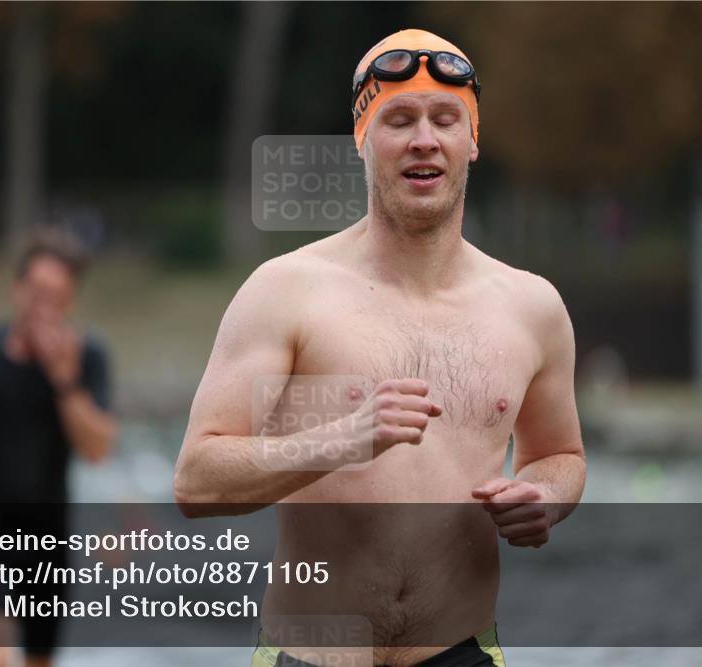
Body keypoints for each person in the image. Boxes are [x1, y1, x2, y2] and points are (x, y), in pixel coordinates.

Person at [174, 29, 586, 667]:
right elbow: (196, 483)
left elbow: (560, 454)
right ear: (362, 139)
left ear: (471, 140)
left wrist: (545, 498)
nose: (424, 138)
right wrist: (344, 440)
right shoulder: (286, 291)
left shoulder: (531, 308)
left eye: (445, 118)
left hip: (463, 649)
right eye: (399, 119)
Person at [0, 228, 118, 667]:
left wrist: (64, 381)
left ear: (70, 302)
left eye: (56, 297)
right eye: (36, 292)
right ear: (17, 289)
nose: (42, 307)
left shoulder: (87, 358)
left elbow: (98, 448)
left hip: (49, 532)